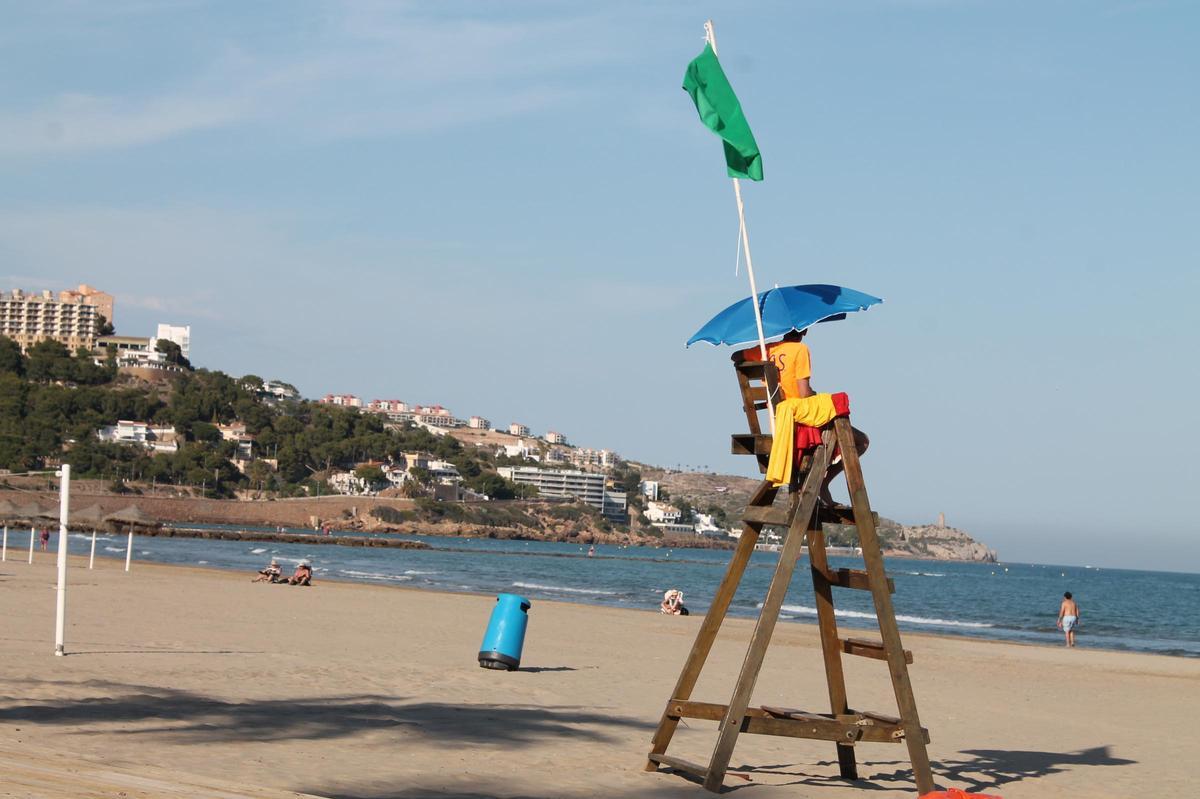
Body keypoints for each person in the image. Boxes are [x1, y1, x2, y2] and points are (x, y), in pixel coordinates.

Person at [733, 329, 869, 505]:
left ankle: (815, 482)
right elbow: (804, 393)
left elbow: (735, 356)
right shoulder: (800, 349)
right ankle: (823, 483)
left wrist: (761, 358)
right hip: (799, 420)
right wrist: (814, 393)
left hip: (778, 420)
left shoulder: (767, 349)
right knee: (861, 441)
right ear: (804, 330)